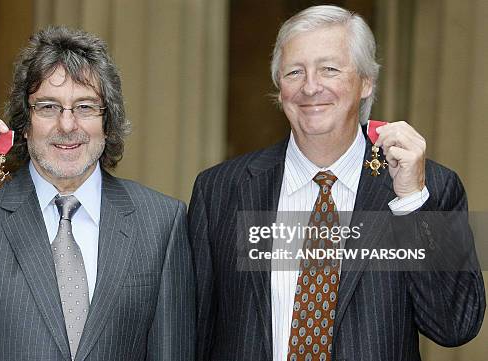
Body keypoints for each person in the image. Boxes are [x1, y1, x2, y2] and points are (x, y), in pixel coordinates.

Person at [189, 5, 484, 361]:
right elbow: (194, 332)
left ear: (366, 82)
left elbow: (455, 326)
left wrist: (409, 203)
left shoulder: (430, 188)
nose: (311, 87)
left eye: (329, 69)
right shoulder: (220, 190)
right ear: (279, 88)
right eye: (295, 72)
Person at [0, 26, 195, 361]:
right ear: (25, 121)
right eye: (48, 107)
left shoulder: (162, 220)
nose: (67, 125)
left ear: (108, 122)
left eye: (85, 107)